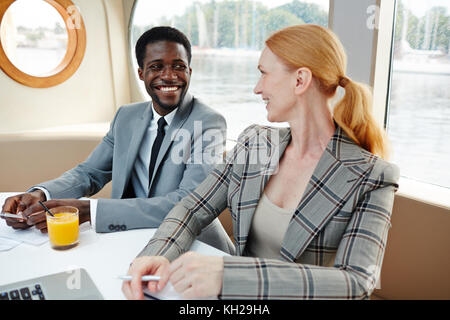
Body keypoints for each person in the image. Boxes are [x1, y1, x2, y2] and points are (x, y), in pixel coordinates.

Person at [122, 24, 399, 300]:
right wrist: (154, 255)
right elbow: (192, 210)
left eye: (264, 74)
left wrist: (228, 275)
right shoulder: (255, 142)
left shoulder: (372, 176)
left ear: (300, 80)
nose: (257, 88)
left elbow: (357, 281)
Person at [1, 26, 234, 254]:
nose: (169, 75)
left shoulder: (208, 123)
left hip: (193, 248)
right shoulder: (126, 116)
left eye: (178, 66)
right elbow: (89, 173)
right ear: (141, 73)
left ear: (189, 72)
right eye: (156, 66)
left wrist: (92, 211)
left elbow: (189, 201)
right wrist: (41, 195)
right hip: (131, 240)